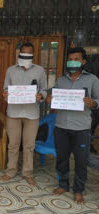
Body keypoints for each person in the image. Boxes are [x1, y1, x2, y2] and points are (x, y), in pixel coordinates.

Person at [46, 47, 99, 203]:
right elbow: (53, 94)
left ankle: (78, 190)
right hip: (61, 126)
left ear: (83, 62)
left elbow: (98, 100)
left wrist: (94, 103)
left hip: (81, 128)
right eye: (70, 59)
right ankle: (63, 184)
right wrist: (49, 98)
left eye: (76, 59)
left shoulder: (92, 80)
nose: (72, 62)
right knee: (62, 158)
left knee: (81, 161)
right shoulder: (61, 80)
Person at [1, 42, 47, 186]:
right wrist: (5, 94)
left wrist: (41, 95)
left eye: (29, 53)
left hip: (32, 113)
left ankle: (28, 173)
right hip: (13, 113)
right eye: (23, 53)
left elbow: (45, 90)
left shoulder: (40, 71)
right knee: (13, 145)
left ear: (33, 55)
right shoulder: (11, 70)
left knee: (29, 146)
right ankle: (11, 171)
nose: (26, 56)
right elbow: (5, 89)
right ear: (19, 54)